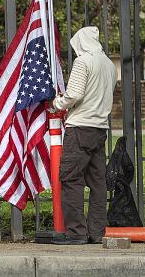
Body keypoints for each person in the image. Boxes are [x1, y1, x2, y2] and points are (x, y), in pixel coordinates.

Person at [49, 26, 115, 244]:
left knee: (71, 178)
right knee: (98, 183)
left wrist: (57, 104)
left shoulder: (83, 61)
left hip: (80, 127)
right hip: (100, 128)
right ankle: (96, 232)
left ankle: (76, 232)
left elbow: (75, 94)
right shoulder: (108, 64)